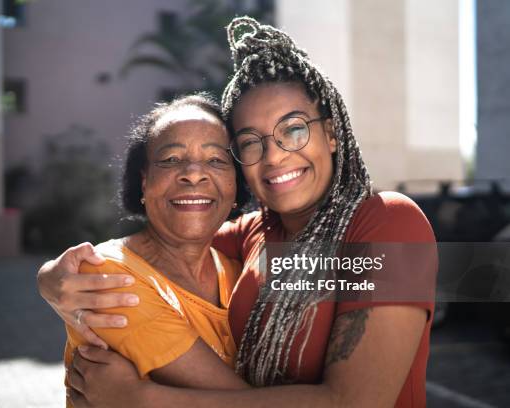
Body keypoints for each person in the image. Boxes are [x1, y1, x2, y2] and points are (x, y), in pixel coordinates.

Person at [39, 17, 437, 407]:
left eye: (294, 129)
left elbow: (353, 403)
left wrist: (145, 399)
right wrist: (54, 278)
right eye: (250, 142)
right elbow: (172, 240)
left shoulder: (387, 222)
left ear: (331, 134)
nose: (275, 155)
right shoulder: (255, 235)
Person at [61, 94, 254, 406]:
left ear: (236, 186)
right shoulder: (106, 274)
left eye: (216, 160)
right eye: (171, 160)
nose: (193, 173)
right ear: (144, 182)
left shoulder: (240, 272)